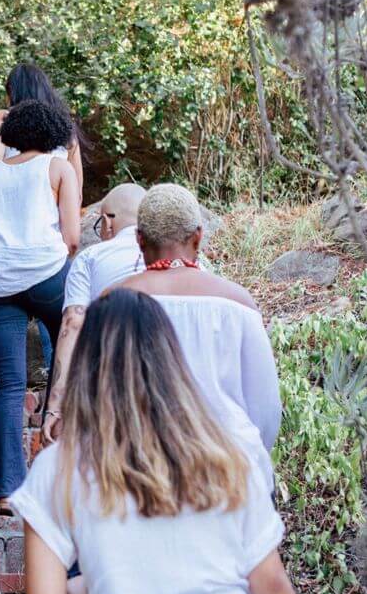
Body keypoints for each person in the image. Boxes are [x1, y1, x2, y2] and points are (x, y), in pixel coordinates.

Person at [9, 289, 305, 594]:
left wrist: (92, 584)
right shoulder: (228, 456)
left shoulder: (59, 466)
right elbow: (272, 586)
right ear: (171, 359)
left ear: (86, 367)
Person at [0, 99, 82, 514]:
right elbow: (71, 239)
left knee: (10, 386)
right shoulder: (59, 169)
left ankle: (6, 491)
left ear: (12, 134)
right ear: (52, 133)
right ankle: (56, 473)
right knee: (68, 361)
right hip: (46, 275)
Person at [116, 183, 282, 455]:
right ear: (197, 237)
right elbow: (266, 409)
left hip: (141, 470)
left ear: (139, 239)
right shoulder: (238, 303)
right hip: (231, 469)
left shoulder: (111, 302)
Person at [0, 64, 90, 366]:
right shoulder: (65, 131)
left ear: (12, 91)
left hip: (3, 247)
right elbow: (77, 192)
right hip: (50, 244)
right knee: (58, 321)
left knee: (9, 380)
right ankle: (53, 376)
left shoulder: (1, 121)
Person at [42, 182, 147, 442]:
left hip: (108, 387)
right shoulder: (182, 262)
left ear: (109, 221)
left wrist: (56, 405)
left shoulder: (90, 259)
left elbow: (73, 326)